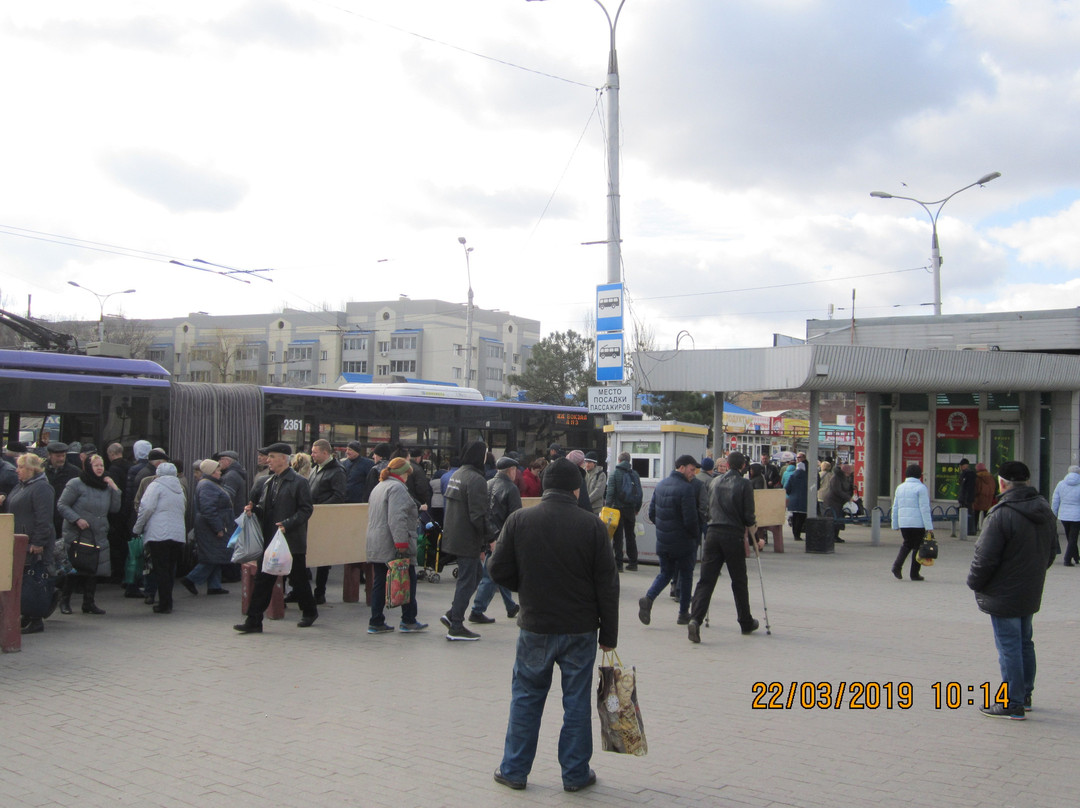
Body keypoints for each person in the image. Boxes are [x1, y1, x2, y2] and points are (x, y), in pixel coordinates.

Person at [487, 457, 619, 793]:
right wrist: (609, 635)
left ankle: (514, 770)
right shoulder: (592, 526)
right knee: (576, 701)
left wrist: (527, 586)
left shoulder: (520, 520)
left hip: (535, 626)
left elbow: (497, 569)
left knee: (526, 697)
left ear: (544, 487)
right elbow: (608, 583)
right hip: (580, 628)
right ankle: (575, 774)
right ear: (577, 489)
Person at [967, 461, 1057, 719]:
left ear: (1002, 483)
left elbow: (984, 558)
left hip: (1003, 591)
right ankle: (1025, 694)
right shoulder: (1044, 510)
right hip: (1029, 588)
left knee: (1009, 647)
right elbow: (1051, 552)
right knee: (1024, 642)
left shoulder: (1001, 514)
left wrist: (974, 582)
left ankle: (1013, 702)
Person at [234, 443, 317, 633]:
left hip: (291, 541)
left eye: (272, 456)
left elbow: (306, 509)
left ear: (283, 458)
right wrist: (253, 510)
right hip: (270, 540)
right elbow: (265, 509)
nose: (268, 460)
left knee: (298, 579)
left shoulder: (299, 482)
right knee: (264, 581)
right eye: (268, 456)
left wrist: (288, 523)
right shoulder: (268, 482)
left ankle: (310, 611)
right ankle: (253, 621)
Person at [687, 451, 763, 643]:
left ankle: (695, 618)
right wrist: (753, 526)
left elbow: (706, 508)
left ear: (727, 465)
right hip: (733, 535)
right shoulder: (745, 484)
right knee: (738, 580)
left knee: (706, 579)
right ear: (743, 466)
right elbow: (748, 515)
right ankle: (745, 621)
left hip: (713, 533)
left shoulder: (714, 482)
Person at [365, 457, 428, 634]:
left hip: (376, 542)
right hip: (393, 543)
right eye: (407, 474)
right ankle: (408, 620)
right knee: (408, 580)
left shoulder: (379, 486)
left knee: (379, 582)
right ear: (402, 473)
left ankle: (376, 621)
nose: (408, 478)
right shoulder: (397, 489)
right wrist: (402, 544)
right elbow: (397, 518)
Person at [439, 439, 492, 641]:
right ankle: (456, 626)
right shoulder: (476, 479)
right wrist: (490, 538)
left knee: (475, 575)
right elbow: (479, 515)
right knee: (467, 580)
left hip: (454, 535)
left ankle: (452, 614)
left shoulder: (458, 474)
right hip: (467, 538)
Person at [639, 455, 700, 627]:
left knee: (665, 573)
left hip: (664, 540)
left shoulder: (661, 485)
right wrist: (695, 536)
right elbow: (690, 520)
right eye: (691, 469)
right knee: (686, 575)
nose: (693, 473)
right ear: (681, 467)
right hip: (683, 542)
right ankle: (683, 614)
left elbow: (652, 513)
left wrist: (664, 527)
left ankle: (648, 598)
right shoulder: (686, 489)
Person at [57, 454, 121, 615]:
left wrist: (114, 488)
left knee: (93, 570)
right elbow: (62, 505)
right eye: (96, 465)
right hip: (77, 534)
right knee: (74, 569)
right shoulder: (76, 484)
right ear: (88, 467)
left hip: (97, 534)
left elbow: (115, 509)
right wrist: (76, 519)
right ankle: (64, 601)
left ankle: (89, 602)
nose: (99, 468)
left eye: (101, 465)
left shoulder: (105, 486)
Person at [7, 453, 56, 635]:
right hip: (19, 542)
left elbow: (44, 519)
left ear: (31, 469)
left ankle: (36, 618)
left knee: (34, 579)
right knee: (24, 579)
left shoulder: (42, 488)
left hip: (34, 544)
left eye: (20, 467)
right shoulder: (21, 486)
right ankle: (26, 614)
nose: (17, 471)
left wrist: (38, 541)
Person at [469, 456, 521, 624]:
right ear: (511, 470)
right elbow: (515, 517)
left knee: (499, 570)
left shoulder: (487, 484)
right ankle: (477, 610)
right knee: (491, 574)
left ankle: (510, 606)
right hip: (502, 536)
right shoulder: (510, 488)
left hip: (487, 534)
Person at [132, 463, 187, 614]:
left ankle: (164, 604)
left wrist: (137, 528)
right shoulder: (179, 488)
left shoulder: (155, 486)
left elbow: (146, 508)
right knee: (169, 569)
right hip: (177, 535)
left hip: (159, 534)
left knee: (160, 569)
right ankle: (168, 601)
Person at [183, 459, 234, 596]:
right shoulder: (207, 486)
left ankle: (214, 586)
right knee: (212, 557)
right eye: (217, 470)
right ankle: (191, 578)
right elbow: (208, 509)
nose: (220, 473)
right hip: (210, 527)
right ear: (211, 472)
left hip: (212, 525)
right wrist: (218, 528)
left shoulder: (209, 484)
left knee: (216, 555)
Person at [308, 438, 347, 604]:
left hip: (325, 519)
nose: (312, 455)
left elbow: (338, 495)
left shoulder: (337, 471)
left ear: (325, 453)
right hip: (312, 517)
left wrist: (321, 509)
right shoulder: (316, 468)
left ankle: (320, 592)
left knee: (323, 558)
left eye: (314, 452)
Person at [890, 464, 934, 581]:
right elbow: (924, 508)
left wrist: (895, 524)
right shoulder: (921, 488)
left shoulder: (900, 487)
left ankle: (897, 566)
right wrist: (929, 526)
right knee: (918, 547)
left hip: (904, 522)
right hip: (918, 523)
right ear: (919, 475)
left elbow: (895, 507)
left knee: (907, 544)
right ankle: (914, 574)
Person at [604, 452, 642, 572]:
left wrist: (607, 507)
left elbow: (610, 492)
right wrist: (637, 508)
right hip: (630, 509)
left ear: (619, 461)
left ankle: (619, 564)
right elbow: (639, 493)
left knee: (618, 537)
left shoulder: (614, 474)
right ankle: (633, 562)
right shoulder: (634, 474)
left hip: (617, 509)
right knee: (631, 535)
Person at [1050, 465, 1080, 567]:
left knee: (1070, 537)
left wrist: (1053, 513)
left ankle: (1076, 557)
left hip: (1064, 515)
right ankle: (1067, 559)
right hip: (1077, 516)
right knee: (1073, 538)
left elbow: (1055, 500)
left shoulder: (1060, 484)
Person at [784, 460, 809, 541]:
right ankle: (798, 534)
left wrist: (791, 494)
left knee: (794, 517)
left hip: (793, 500)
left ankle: (795, 533)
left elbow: (787, 488)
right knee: (801, 518)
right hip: (804, 500)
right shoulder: (807, 477)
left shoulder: (792, 476)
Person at [973, 462, 998, 531]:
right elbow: (995, 487)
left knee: (976, 514)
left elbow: (976, 489)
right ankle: (986, 529)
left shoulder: (977, 477)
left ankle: (974, 528)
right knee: (986, 515)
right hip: (988, 498)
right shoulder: (991, 477)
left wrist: (973, 496)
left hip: (978, 498)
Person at [958, 458, 977, 536]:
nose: (961, 467)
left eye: (962, 465)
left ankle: (970, 530)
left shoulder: (969, 474)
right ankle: (968, 530)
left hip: (967, 498)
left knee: (969, 514)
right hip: (965, 498)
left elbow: (968, 488)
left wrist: (966, 498)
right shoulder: (965, 474)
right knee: (967, 514)